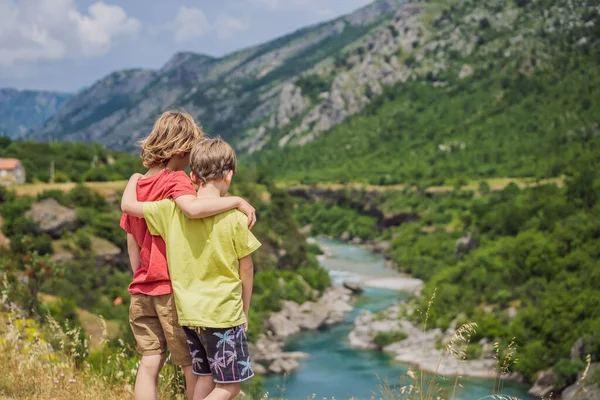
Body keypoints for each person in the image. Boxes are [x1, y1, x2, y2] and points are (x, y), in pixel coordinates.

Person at [120, 112, 256, 400]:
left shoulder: (138, 185)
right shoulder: (178, 184)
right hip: (174, 289)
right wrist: (237, 201)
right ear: (182, 151)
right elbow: (193, 210)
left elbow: (132, 242)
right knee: (193, 369)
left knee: (149, 363)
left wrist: (140, 276)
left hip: (142, 286)